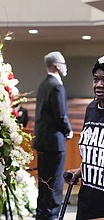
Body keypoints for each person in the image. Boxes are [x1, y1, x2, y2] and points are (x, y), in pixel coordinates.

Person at [33, 51, 73, 220]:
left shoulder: (43, 85)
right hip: (54, 144)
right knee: (55, 183)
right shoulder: (56, 86)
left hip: (42, 142)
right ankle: (51, 216)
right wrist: (68, 131)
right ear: (57, 66)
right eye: (63, 63)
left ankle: (43, 215)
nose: (65, 67)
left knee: (44, 183)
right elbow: (60, 115)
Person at [66, 55, 104, 220]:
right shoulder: (91, 109)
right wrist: (81, 171)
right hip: (87, 203)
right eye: (96, 79)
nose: (99, 84)